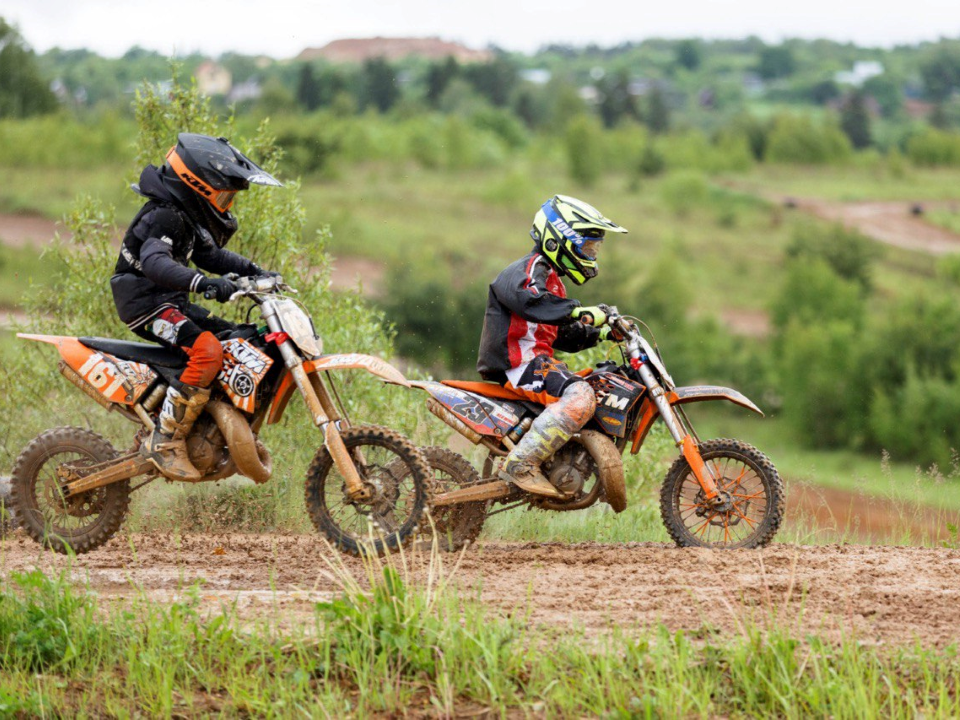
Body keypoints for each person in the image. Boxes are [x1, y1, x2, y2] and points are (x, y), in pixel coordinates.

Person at [110, 133, 282, 481]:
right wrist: (202, 284)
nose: (226, 204)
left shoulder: (186, 217)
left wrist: (254, 271)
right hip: (146, 305)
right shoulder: (164, 216)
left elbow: (211, 256)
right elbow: (155, 262)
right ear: (195, 184)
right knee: (206, 350)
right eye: (222, 195)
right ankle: (167, 440)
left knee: (241, 341)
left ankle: (211, 429)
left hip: (170, 301)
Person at [477, 195, 628, 497]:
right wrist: (579, 310)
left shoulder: (552, 281)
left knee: (597, 385)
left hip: (537, 364)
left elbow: (562, 334)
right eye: (586, 247)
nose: (591, 255)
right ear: (560, 239)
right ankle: (520, 464)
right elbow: (532, 301)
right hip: (519, 366)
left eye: (593, 249)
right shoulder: (527, 271)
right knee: (581, 396)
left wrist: (602, 334)